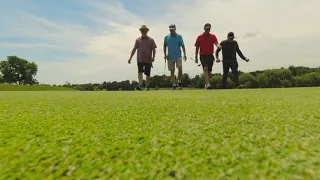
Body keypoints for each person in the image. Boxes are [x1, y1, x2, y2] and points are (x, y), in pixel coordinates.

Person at [128, 25, 157, 91]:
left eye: (145, 30)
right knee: (140, 71)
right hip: (140, 59)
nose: (143, 31)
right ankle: (140, 85)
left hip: (148, 59)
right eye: (142, 30)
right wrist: (130, 58)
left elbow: (154, 49)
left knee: (147, 73)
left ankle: (147, 86)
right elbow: (134, 49)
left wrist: (154, 56)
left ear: (147, 31)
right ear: (141, 31)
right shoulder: (138, 40)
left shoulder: (151, 40)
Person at [194, 23, 221, 89]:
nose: (208, 29)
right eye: (206, 28)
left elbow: (216, 43)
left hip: (210, 56)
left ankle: (206, 84)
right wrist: (196, 57)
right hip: (203, 56)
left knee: (209, 72)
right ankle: (208, 84)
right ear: (204, 28)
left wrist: (218, 46)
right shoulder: (200, 37)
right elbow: (197, 47)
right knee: (205, 69)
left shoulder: (213, 36)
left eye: (209, 28)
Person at [164, 24, 187, 90]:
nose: (171, 31)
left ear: (175, 29)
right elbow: (164, 46)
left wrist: (185, 54)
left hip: (178, 55)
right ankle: (174, 84)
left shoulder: (179, 36)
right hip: (170, 56)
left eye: (172, 29)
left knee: (180, 68)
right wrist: (165, 54)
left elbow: (183, 46)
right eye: (170, 30)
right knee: (172, 71)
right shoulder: (166, 37)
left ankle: (179, 80)